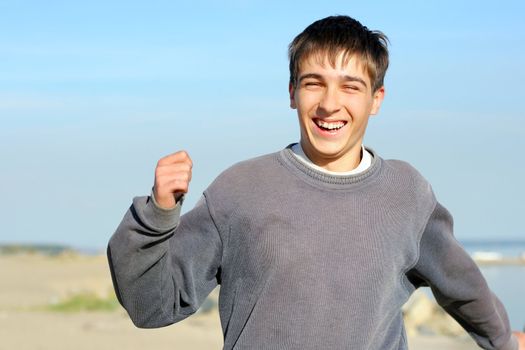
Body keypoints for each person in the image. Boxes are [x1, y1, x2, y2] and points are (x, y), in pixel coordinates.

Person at [107, 15, 525, 350]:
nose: (329, 103)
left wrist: (504, 341)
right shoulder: (239, 190)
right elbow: (151, 307)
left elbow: (462, 286)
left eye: (351, 87)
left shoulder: (407, 193)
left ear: (376, 99)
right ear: (292, 93)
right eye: (313, 84)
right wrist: (157, 214)